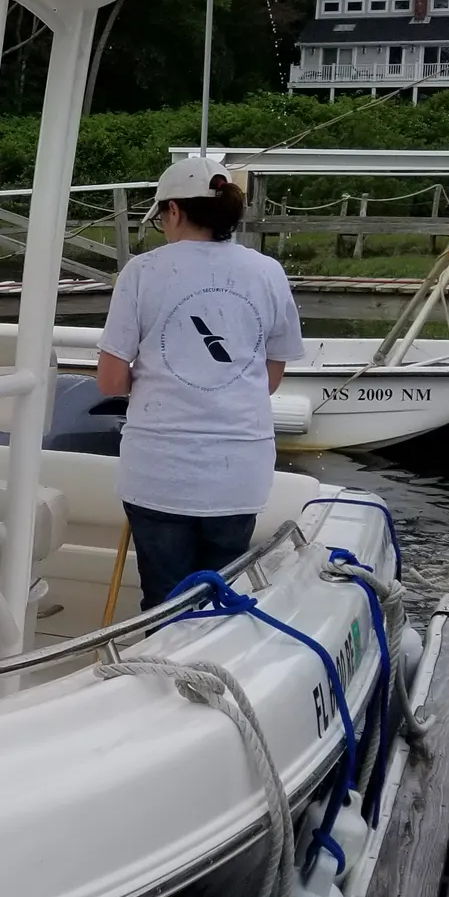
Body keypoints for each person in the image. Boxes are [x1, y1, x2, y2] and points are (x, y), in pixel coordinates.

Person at [96, 156, 301, 611]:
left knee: (166, 602)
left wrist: (153, 382)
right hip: (239, 472)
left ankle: (164, 677)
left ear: (172, 211)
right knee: (221, 601)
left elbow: (110, 380)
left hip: (160, 472)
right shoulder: (268, 272)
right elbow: (269, 378)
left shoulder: (143, 272)